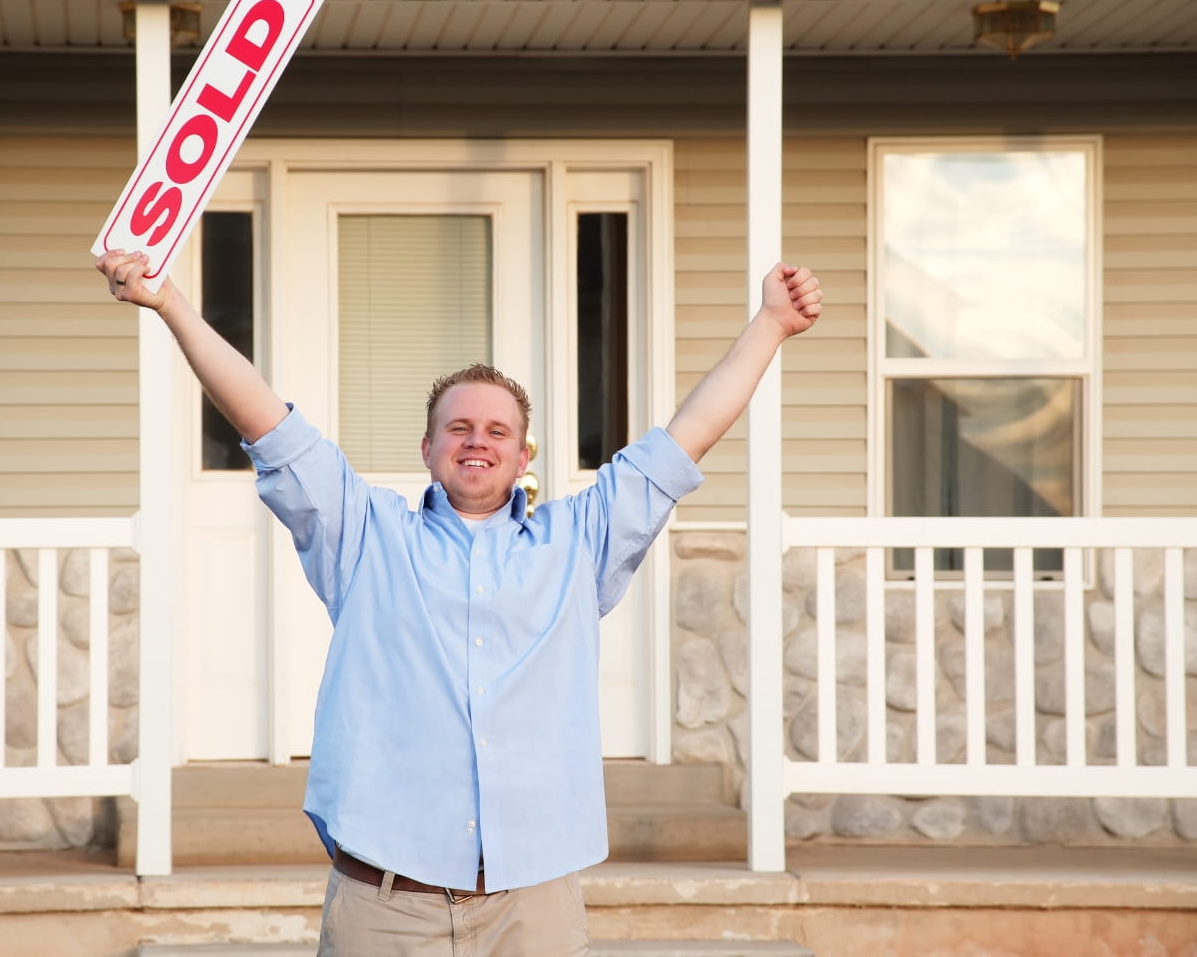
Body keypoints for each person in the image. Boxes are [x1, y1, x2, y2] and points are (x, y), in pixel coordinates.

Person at [95, 247, 821, 956]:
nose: (478, 441)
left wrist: (770, 325)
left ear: (523, 456)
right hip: (385, 908)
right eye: (460, 427)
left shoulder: (579, 541)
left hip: (532, 910)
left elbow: (686, 439)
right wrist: (172, 305)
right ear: (428, 447)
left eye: (498, 430)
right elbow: (268, 426)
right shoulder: (365, 534)